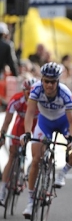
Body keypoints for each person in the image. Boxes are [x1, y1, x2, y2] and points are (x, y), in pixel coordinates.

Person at [20, 62, 72, 218]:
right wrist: (27, 132)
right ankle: (30, 202)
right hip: (44, 123)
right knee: (36, 159)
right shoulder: (36, 89)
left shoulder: (65, 93)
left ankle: (62, 173)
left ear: (58, 81)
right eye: (46, 81)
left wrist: (71, 138)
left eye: (53, 82)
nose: (49, 85)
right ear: (42, 80)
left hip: (63, 121)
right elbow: (30, 113)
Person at [0, 77, 38, 205]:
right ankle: (3, 190)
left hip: (37, 124)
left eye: (32, 92)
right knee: (12, 156)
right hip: (20, 125)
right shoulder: (16, 99)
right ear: (23, 91)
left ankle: (27, 169)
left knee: (38, 152)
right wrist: (3, 134)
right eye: (27, 91)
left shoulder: (41, 101)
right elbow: (7, 121)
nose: (30, 95)